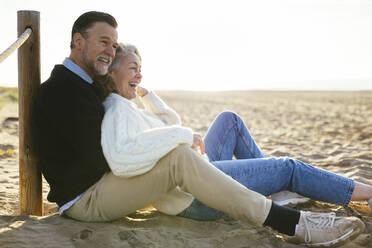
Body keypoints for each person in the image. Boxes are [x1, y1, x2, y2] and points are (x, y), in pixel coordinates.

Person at [32, 11, 364, 247]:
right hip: (85, 198)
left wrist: (144, 102)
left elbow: (127, 137)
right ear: (78, 41)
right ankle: (289, 221)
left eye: (114, 45)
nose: (109, 50)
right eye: (104, 42)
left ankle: (275, 194)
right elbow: (112, 157)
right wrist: (171, 144)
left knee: (218, 129)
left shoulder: (88, 85)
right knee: (181, 157)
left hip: (109, 181)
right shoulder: (63, 90)